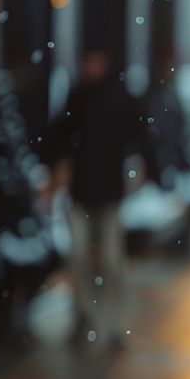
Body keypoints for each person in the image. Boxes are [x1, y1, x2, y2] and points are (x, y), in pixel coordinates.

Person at [41, 49, 149, 348]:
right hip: (82, 194)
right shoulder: (79, 97)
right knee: (79, 259)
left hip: (109, 195)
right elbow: (58, 135)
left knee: (112, 262)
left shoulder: (118, 98)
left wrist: (144, 167)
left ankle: (113, 324)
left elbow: (139, 137)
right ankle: (85, 317)